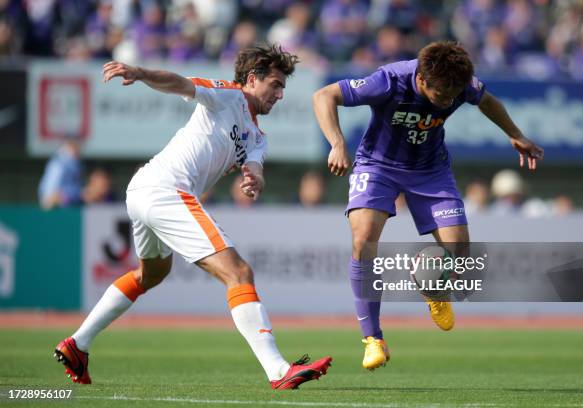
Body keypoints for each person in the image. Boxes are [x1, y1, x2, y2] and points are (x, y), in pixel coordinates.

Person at [54, 44, 332, 389]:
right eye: (275, 85)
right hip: (165, 190)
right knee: (239, 272)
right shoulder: (228, 96)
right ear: (251, 79)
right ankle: (278, 370)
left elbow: (256, 165)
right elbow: (180, 83)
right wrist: (140, 73)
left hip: (143, 191)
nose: (279, 94)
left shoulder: (258, 136)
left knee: (151, 274)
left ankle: (77, 344)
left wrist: (253, 179)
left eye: (282, 88)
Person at [312, 40, 543, 371]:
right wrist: (336, 143)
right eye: (441, 96)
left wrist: (514, 133)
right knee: (363, 238)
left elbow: (487, 102)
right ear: (421, 80)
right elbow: (324, 95)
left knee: (460, 251)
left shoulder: (458, 83)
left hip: (430, 171)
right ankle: (373, 339)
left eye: (453, 95)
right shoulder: (389, 80)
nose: (448, 101)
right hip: (378, 165)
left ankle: (434, 288)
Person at [38, 139, 82, 209]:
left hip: (72, 203)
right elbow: (49, 190)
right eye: (73, 147)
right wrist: (50, 197)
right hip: (57, 204)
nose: (77, 150)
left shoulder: (77, 164)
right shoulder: (58, 163)